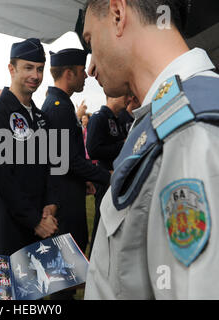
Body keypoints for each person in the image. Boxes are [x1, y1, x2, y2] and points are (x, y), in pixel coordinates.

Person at [83, 0, 219, 299]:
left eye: (90, 40)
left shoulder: (188, 131)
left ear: (118, 15)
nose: (91, 65)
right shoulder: (166, 116)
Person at [41, 49, 110, 300]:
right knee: (63, 281)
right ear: (69, 73)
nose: (85, 77)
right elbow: (68, 160)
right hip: (63, 199)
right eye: (82, 72)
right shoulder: (58, 107)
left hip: (68, 192)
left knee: (67, 277)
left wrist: (87, 178)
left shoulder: (60, 103)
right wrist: (108, 177)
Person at [0, 38, 59, 256]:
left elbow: (53, 164)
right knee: (13, 286)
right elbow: (1, 176)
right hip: (13, 222)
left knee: (39, 284)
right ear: (11, 69)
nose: (35, 76)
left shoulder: (41, 117)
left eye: (40, 69)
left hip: (43, 219)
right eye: (28, 68)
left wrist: (51, 203)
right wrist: (34, 220)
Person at [86, 95, 127, 255]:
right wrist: (121, 145)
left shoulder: (116, 119)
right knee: (101, 222)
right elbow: (93, 149)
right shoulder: (99, 118)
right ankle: (94, 260)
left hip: (115, 177)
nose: (128, 98)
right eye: (123, 94)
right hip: (104, 178)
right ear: (112, 97)